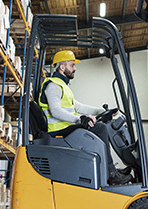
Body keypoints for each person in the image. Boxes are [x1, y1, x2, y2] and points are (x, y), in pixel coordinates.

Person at [39, 50, 132, 185]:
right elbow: (55, 111)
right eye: (72, 65)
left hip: (66, 127)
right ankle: (111, 173)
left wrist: (101, 111)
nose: (75, 68)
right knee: (100, 128)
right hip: (58, 131)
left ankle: (109, 169)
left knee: (101, 125)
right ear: (62, 67)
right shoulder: (53, 86)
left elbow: (78, 106)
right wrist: (80, 120)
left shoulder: (63, 86)